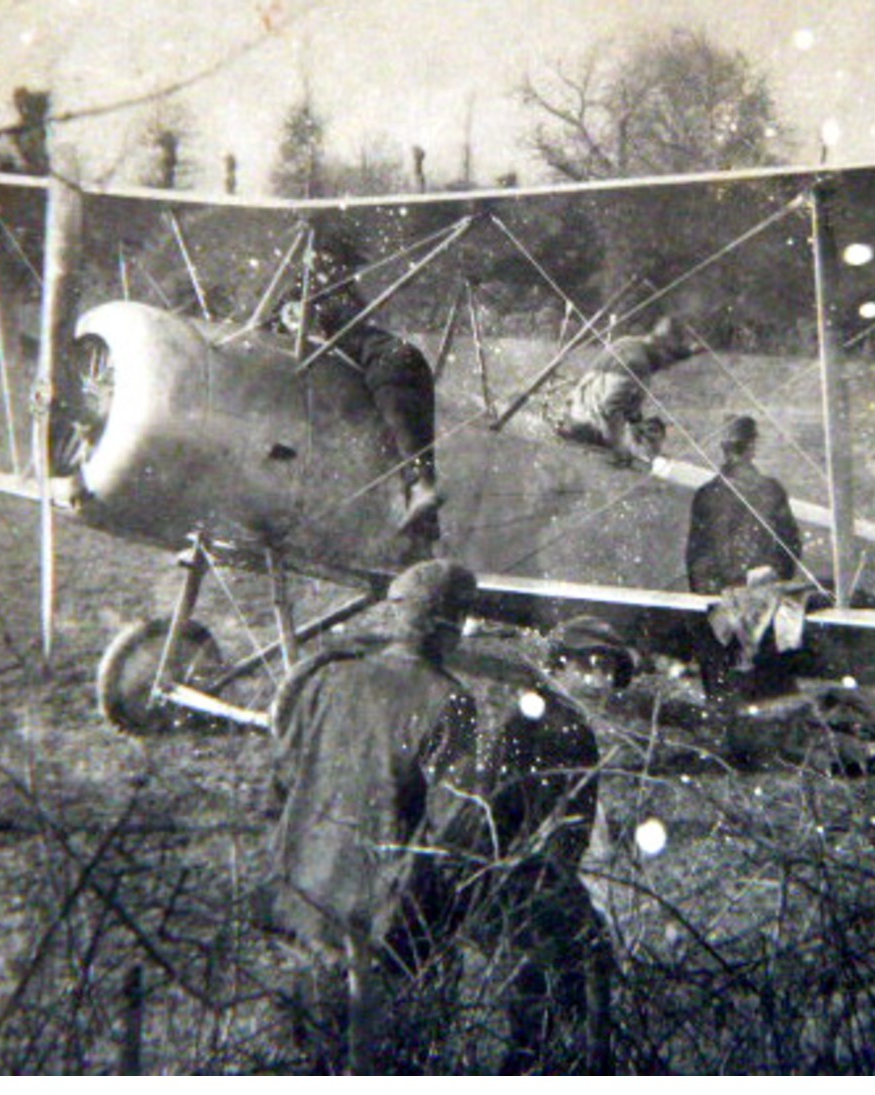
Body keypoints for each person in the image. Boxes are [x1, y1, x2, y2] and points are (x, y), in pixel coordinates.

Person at [261, 559, 480, 1070]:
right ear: (450, 627)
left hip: (302, 901)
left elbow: (280, 783)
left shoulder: (329, 677)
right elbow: (454, 826)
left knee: (302, 1052)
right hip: (380, 924)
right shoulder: (449, 701)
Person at [428, 615, 627, 1073]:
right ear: (559, 666)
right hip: (520, 875)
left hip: (508, 870)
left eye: (608, 670)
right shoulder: (562, 729)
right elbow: (528, 817)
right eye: (589, 665)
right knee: (565, 975)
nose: (599, 679)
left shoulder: (542, 714)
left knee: (555, 982)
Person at [282, 258, 443, 535]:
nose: (293, 319)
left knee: (396, 407)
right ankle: (420, 524)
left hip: (387, 359)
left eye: (295, 312)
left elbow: (333, 314)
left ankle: (421, 486)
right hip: (372, 367)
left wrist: (309, 307)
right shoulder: (315, 328)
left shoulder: (338, 320)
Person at [684, 415, 802, 596]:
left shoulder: (770, 491)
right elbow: (698, 561)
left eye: (738, 448)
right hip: (731, 599)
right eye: (735, 448)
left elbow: (790, 547)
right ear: (752, 448)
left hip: (756, 595)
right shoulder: (708, 496)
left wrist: (772, 571)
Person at [556, 316, 697, 466]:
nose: (668, 366)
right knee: (654, 430)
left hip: (571, 415)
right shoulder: (637, 364)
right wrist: (620, 448)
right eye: (670, 357)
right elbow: (610, 408)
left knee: (640, 422)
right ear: (661, 346)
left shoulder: (626, 343)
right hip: (587, 427)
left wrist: (692, 352)